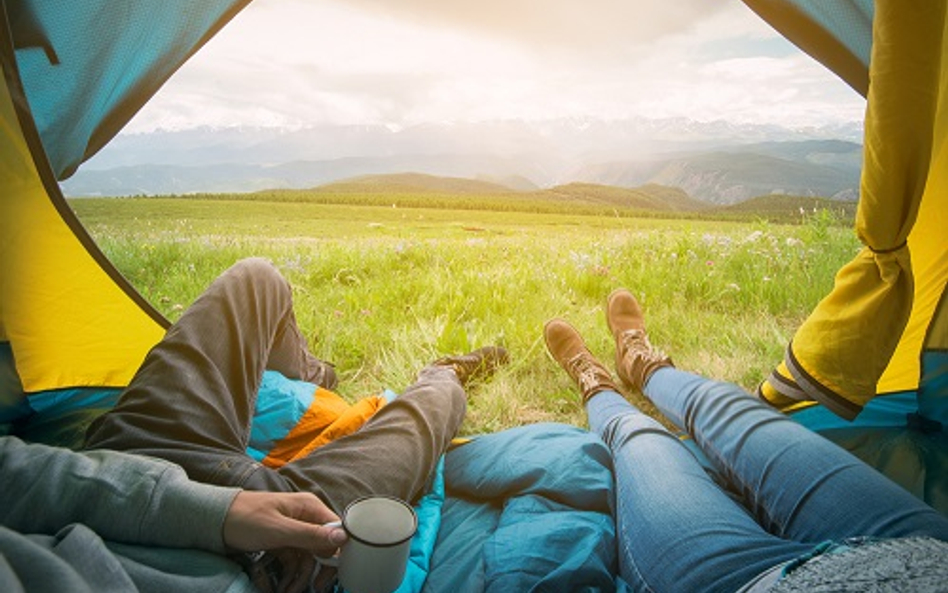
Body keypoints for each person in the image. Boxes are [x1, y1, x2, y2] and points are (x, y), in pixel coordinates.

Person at [74, 257, 507, 591]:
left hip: (112, 469)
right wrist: (221, 521)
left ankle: (318, 377)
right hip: (229, 561)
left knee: (255, 280)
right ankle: (444, 372)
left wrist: (208, 510)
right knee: (430, 409)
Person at [544, 288, 948, 593]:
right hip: (920, 551)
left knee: (641, 439)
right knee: (723, 403)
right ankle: (642, 366)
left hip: (747, 583)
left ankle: (597, 388)